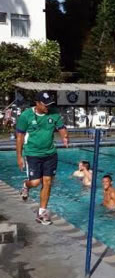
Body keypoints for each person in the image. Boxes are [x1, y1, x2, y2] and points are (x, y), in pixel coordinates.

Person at [16, 91, 69, 225]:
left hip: (50, 153)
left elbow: (61, 128)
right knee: (35, 183)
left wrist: (64, 137)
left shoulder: (54, 113)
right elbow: (20, 137)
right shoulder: (25, 116)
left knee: (47, 182)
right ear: (37, 103)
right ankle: (25, 185)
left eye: (49, 104)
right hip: (32, 153)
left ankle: (42, 213)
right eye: (45, 105)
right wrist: (19, 157)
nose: (48, 107)